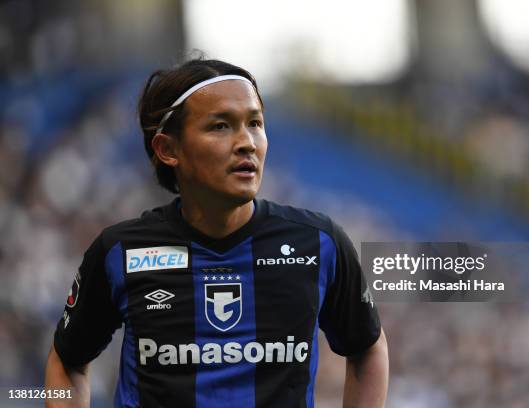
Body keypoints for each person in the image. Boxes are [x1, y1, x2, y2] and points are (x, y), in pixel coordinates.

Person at [45, 57, 388, 408]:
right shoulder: (119, 252)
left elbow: (367, 347)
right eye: (221, 126)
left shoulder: (318, 242)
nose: (247, 143)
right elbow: (67, 361)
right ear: (167, 149)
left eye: (255, 123)